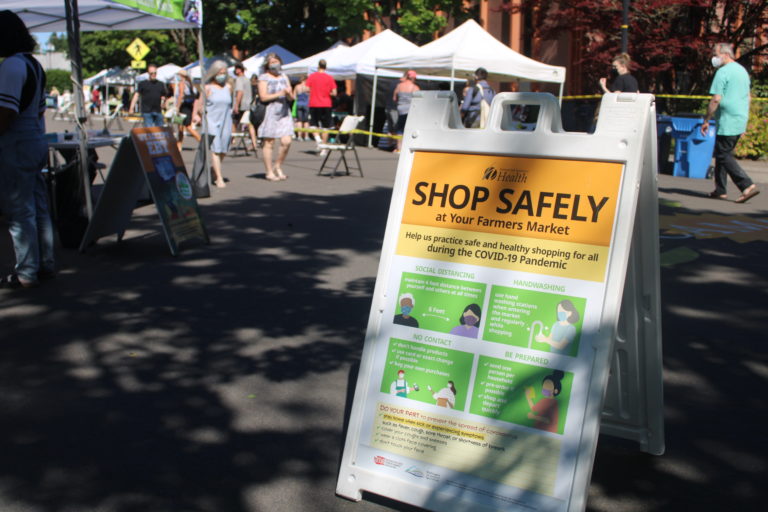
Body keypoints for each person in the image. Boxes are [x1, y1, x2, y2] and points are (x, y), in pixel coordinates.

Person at [0, 10, 56, 289]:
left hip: (17, 141)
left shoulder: (11, 65)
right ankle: (44, 263)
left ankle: (26, 272)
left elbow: (6, 112)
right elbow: (40, 110)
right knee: (38, 205)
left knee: (19, 210)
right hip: (34, 138)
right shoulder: (34, 64)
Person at [702, 42, 759, 203]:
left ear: (725, 55)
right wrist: (744, 122)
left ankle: (746, 185)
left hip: (727, 119)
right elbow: (748, 97)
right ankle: (720, 189)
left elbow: (716, 99)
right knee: (723, 153)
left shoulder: (723, 72)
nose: (714, 57)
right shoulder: (742, 71)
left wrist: (706, 120)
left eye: (716, 53)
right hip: (739, 117)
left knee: (723, 154)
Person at [257, 53, 293, 182]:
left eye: (276, 61)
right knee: (269, 142)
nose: (274, 64)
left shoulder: (284, 76)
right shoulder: (263, 77)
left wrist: (289, 94)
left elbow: (291, 97)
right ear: (267, 65)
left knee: (286, 141)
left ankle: (277, 165)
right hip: (270, 111)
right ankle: (269, 171)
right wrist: (280, 93)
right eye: (271, 62)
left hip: (284, 111)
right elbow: (263, 97)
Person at [202, 61, 233, 188]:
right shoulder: (207, 88)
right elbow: (200, 104)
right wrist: (197, 115)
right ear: (214, 74)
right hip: (212, 121)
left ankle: (214, 169)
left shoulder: (229, 87)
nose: (222, 75)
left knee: (224, 149)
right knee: (215, 149)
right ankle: (219, 178)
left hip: (226, 120)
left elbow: (230, 105)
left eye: (224, 73)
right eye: (220, 73)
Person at [306, 59, 337, 153]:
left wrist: (314, 91)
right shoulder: (330, 78)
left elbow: (307, 89)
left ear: (318, 66)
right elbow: (334, 93)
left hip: (314, 103)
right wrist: (327, 92)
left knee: (313, 124)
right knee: (325, 127)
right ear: (325, 67)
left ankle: (318, 139)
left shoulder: (312, 76)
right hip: (326, 104)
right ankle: (323, 147)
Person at [392, 70, 420, 152]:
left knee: (399, 129)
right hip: (410, 110)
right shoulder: (415, 87)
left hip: (400, 109)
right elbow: (419, 100)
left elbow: (394, 98)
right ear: (413, 78)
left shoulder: (399, 86)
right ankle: (407, 147)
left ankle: (399, 148)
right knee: (409, 128)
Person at [174, 69, 201, 152]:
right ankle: (179, 144)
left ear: (181, 76)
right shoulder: (190, 84)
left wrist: (177, 107)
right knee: (180, 127)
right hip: (188, 106)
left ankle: (201, 141)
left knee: (187, 126)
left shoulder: (182, 83)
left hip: (183, 107)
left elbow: (181, 95)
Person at [231, 62, 252, 133]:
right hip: (248, 105)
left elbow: (240, 92)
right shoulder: (247, 79)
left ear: (239, 70)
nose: (235, 70)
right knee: (248, 123)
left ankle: (231, 140)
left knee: (233, 123)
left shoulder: (239, 79)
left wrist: (236, 105)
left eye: (236, 69)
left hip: (241, 105)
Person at [293, 75, 311, 141]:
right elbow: (310, 96)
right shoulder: (308, 87)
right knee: (306, 121)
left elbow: (294, 96)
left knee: (299, 121)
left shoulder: (297, 86)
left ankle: (299, 136)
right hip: (306, 104)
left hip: (299, 104)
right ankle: (306, 136)